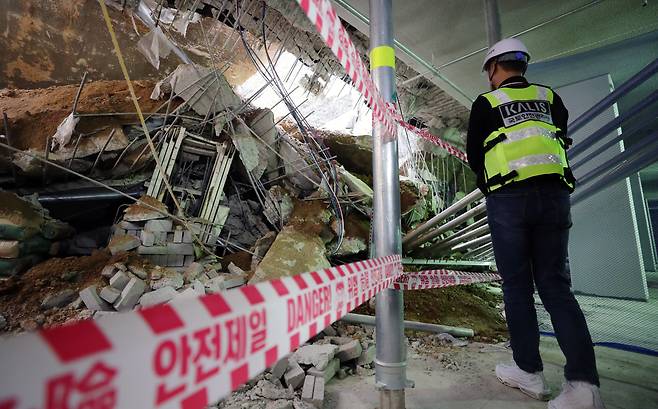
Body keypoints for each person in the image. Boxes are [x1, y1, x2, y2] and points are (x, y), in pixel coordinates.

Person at [466, 38, 605, 409]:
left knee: (516, 288)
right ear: (522, 65)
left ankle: (528, 371)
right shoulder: (549, 98)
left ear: (494, 69)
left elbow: (473, 156)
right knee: (556, 288)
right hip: (555, 198)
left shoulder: (486, 102)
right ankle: (583, 386)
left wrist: (493, 187)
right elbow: (558, 137)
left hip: (510, 200)